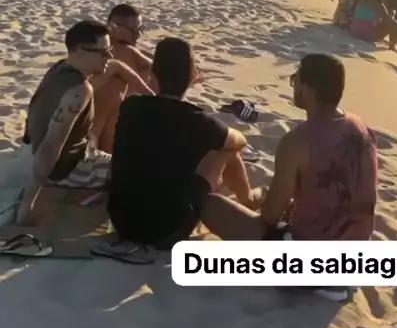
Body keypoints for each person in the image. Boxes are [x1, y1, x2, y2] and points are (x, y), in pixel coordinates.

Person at [199, 54, 377, 302]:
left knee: (210, 205)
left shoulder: (298, 140)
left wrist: (271, 202)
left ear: (309, 88)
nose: (293, 85)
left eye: (296, 79)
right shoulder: (361, 127)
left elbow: (269, 217)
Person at [107, 38, 260, 247]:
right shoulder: (199, 121)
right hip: (167, 231)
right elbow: (239, 142)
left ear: (152, 73)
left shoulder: (130, 107)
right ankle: (248, 199)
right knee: (225, 149)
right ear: (193, 77)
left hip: (122, 223)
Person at [18, 21, 118, 224]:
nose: (109, 56)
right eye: (103, 52)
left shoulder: (59, 68)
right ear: (79, 50)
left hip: (52, 156)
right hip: (71, 171)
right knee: (138, 170)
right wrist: (27, 207)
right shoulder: (78, 91)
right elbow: (51, 145)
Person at [107, 4, 154, 90]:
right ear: (113, 27)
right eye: (134, 30)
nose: (138, 34)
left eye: (141, 29)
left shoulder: (138, 51)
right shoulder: (125, 52)